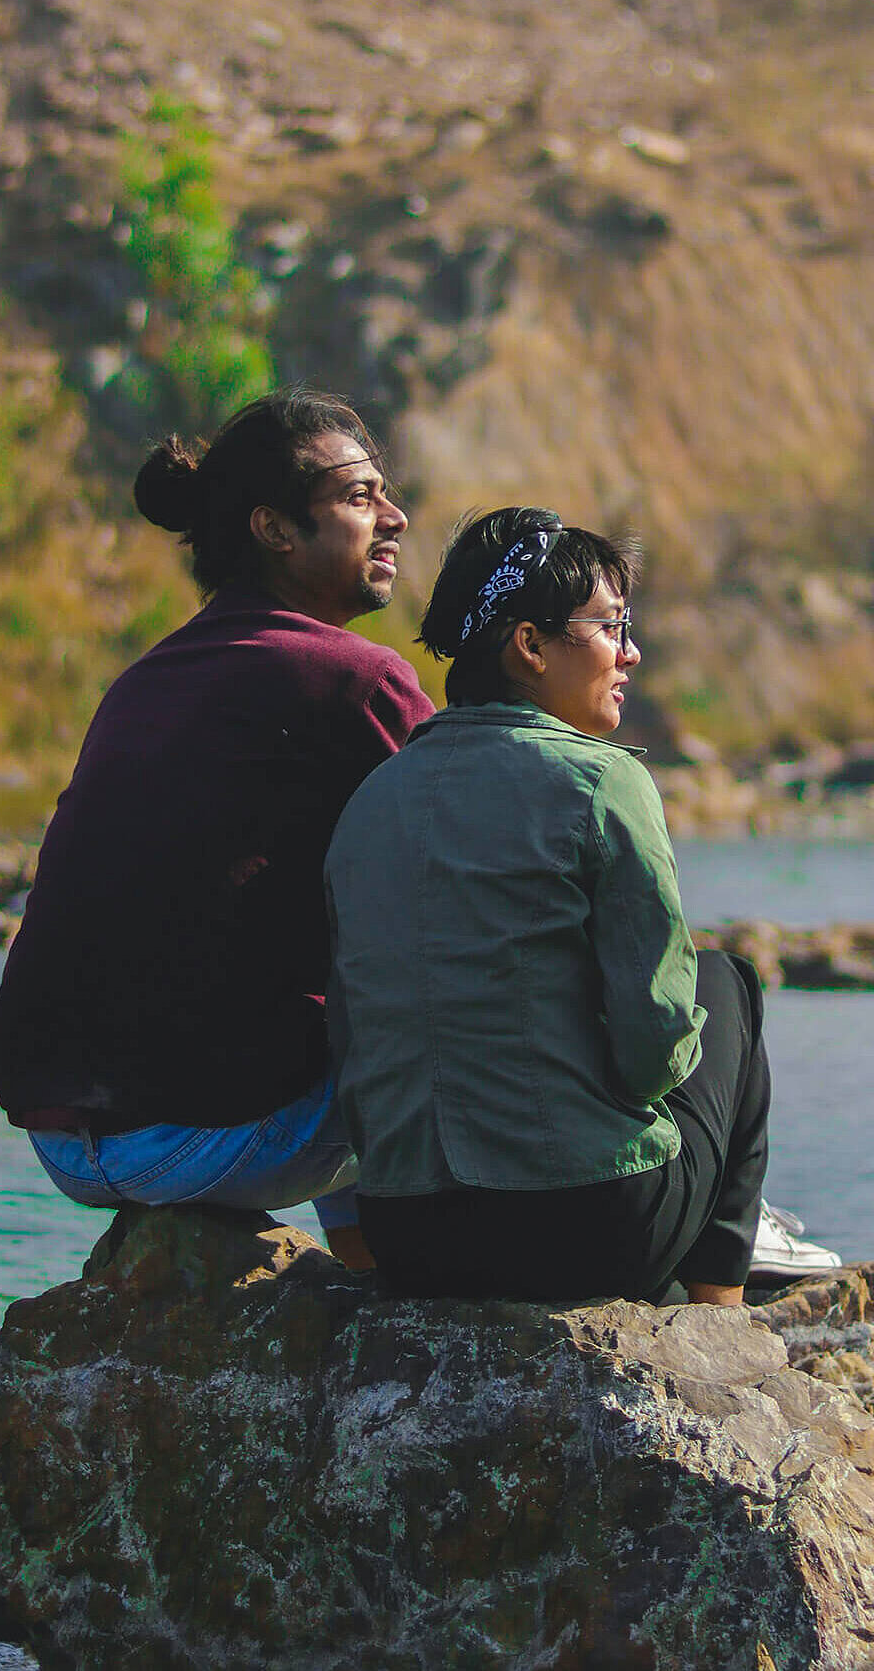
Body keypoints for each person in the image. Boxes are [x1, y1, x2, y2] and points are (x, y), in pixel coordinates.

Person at [0, 387, 434, 1265]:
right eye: (358, 496)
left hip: (65, 1147)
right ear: (273, 528)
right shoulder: (357, 679)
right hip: (209, 1138)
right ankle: (633, 1225)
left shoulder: (148, 676)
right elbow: (485, 871)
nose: (395, 517)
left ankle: (369, 1266)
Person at [325, 507, 780, 1304]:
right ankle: (720, 1323)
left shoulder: (367, 798)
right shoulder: (601, 781)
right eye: (608, 626)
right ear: (529, 646)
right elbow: (654, 1049)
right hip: (585, 1224)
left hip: (407, 1234)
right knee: (726, 983)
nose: (630, 652)